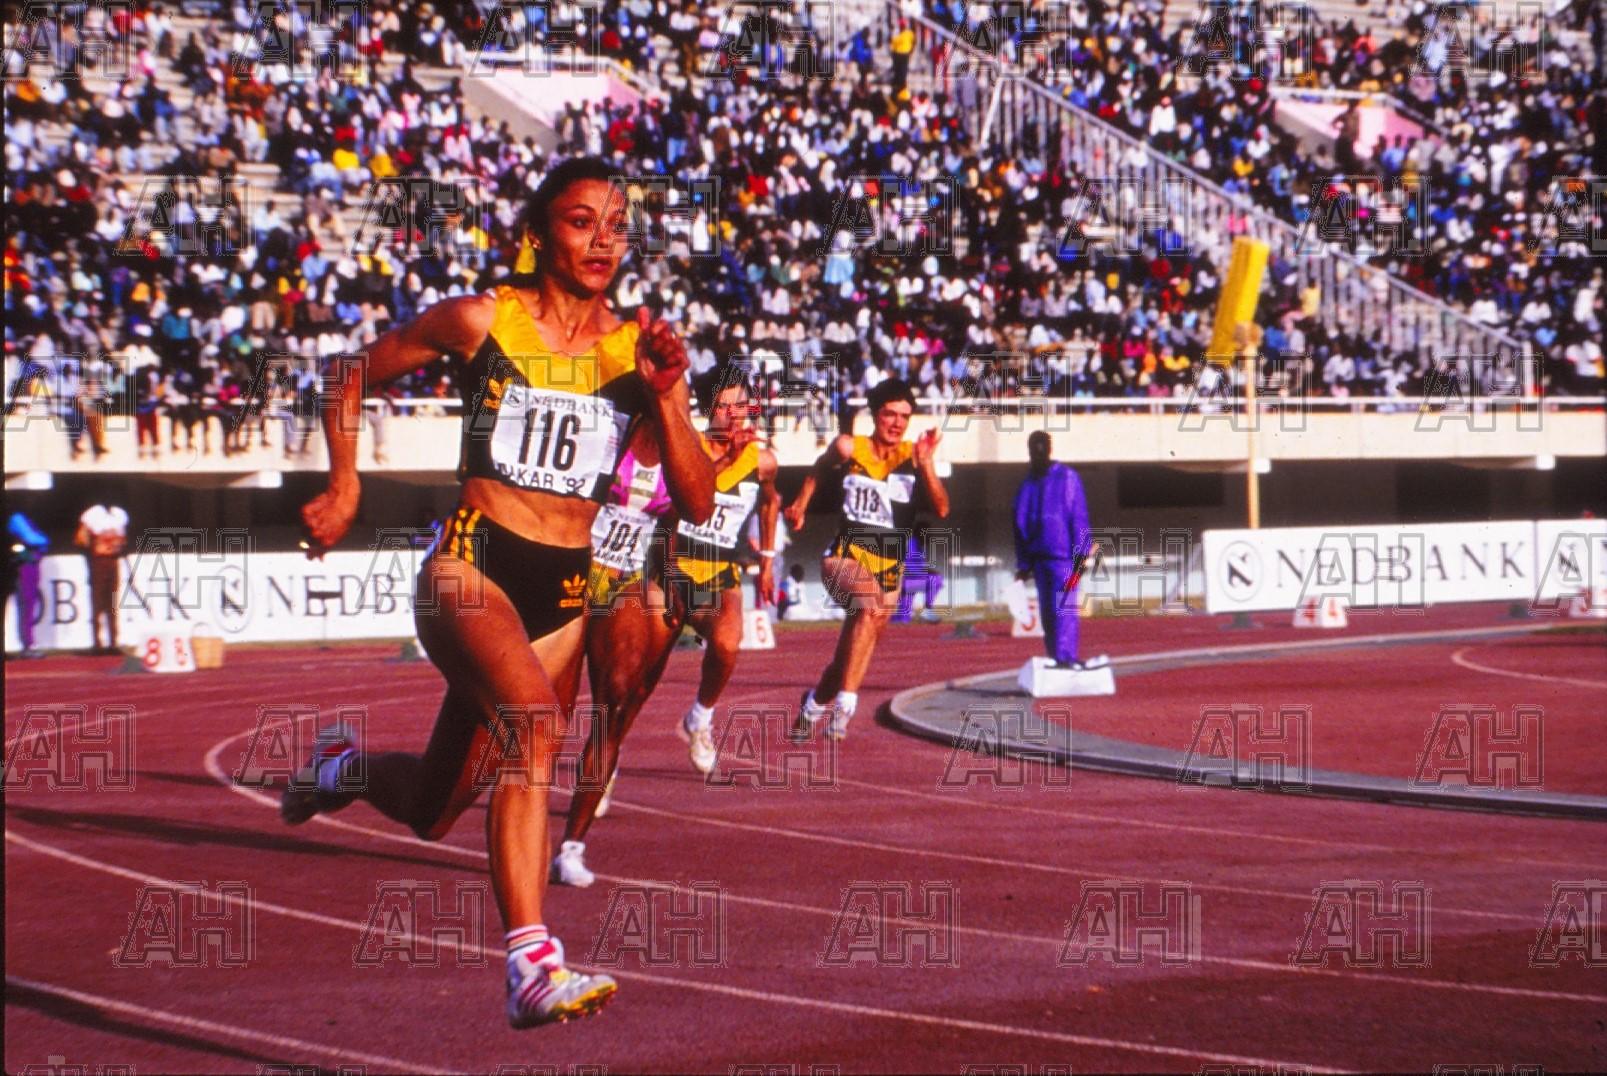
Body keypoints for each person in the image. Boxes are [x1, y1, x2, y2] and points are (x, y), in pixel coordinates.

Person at [285, 157, 715, 1029]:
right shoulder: (481, 319)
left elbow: (700, 502)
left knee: (432, 810)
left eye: (617, 226)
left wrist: (668, 398)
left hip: (561, 592)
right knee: (536, 727)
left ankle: (344, 768)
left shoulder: (637, 352)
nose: (602, 241)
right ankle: (530, 965)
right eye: (581, 221)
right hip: (472, 565)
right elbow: (347, 375)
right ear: (537, 232)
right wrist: (345, 485)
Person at [552, 374, 780, 887]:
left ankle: (571, 845)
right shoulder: (618, 441)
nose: (736, 415)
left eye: (743, 406)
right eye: (726, 406)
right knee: (552, 705)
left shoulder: (733, 456)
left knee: (621, 695)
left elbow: (690, 512)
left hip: (650, 577)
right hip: (582, 573)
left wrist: (762, 556)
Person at [783, 378, 949, 740]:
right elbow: (819, 467)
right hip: (845, 557)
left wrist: (927, 464)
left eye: (904, 416)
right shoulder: (849, 447)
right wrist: (800, 504)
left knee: (849, 657)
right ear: (875, 415)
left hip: (890, 570)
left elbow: (941, 508)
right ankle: (845, 709)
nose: (897, 423)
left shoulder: (912, 455)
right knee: (869, 605)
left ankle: (812, 706)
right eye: (890, 414)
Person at [1013, 431, 1100, 669]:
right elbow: (1020, 523)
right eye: (1035, 448)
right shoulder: (1029, 484)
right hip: (1041, 560)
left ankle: (1065, 656)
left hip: (1065, 560)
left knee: (1064, 608)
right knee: (1050, 612)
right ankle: (1057, 656)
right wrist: (1024, 564)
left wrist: (1081, 556)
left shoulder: (1066, 478)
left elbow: (1078, 517)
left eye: (1042, 447)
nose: (1038, 452)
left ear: (1049, 449)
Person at [75, 501, 128, 654]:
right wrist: (94, 542)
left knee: (112, 603)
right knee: (97, 603)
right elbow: (80, 539)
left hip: (112, 561)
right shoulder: (92, 516)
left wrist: (114, 542)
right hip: (98, 561)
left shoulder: (118, 516)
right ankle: (97, 643)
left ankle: (113, 642)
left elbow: (122, 539)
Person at [7, 511, 49, 659]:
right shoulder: (17, 518)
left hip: (30, 566)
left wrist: (41, 542)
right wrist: (40, 541)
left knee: (28, 606)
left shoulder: (26, 519)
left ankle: (28, 644)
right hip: (24, 567)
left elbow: (43, 542)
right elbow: (35, 539)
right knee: (26, 606)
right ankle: (27, 645)